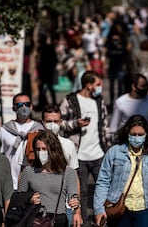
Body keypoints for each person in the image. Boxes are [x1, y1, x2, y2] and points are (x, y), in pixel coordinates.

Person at [94, 114, 148, 227]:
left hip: (147, 210)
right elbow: (103, 182)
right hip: (120, 209)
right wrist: (99, 209)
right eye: (133, 134)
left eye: (140, 134)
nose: (137, 137)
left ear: (146, 134)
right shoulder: (114, 152)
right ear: (127, 134)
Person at [59, 70, 112, 226]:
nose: (100, 87)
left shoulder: (99, 100)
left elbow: (104, 126)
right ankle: (83, 222)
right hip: (78, 155)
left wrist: (109, 149)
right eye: (98, 84)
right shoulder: (70, 100)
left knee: (103, 190)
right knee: (81, 192)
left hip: (98, 154)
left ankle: (103, 220)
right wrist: (75, 124)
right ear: (88, 85)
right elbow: (59, 122)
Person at [18, 129, 82, 227]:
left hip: (57, 220)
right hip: (35, 220)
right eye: (38, 149)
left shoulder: (68, 172)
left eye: (44, 149)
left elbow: (74, 196)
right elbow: (19, 198)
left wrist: (77, 211)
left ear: (53, 150)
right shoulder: (28, 171)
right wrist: (29, 199)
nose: (40, 152)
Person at [42, 104, 80, 227]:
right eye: (48, 121)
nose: (52, 125)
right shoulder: (31, 144)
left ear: (61, 122)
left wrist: (77, 210)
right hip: (40, 206)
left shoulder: (68, 145)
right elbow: (24, 173)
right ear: (42, 122)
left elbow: (74, 177)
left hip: (65, 206)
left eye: (55, 121)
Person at [0, 92, 44, 190]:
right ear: (14, 108)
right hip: (10, 182)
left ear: (31, 107)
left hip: (33, 182)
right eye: (20, 105)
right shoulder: (4, 130)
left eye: (27, 104)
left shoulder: (39, 130)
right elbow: (0, 155)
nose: (24, 107)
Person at [109, 73, 148, 146]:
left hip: (145, 144)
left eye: (147, 86)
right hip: (124, 144)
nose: (146, 88)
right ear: (134, 86)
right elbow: (113, 127)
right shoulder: (120, 102)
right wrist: (115, 146)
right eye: (143, 86)